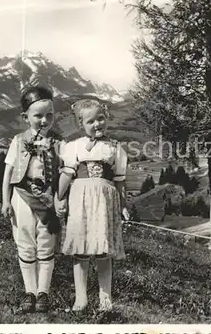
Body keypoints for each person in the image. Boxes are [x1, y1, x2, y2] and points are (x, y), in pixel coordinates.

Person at [58, 98, 130, 312]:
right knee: (80, 251)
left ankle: (105, 298)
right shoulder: (74, 147)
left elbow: (120, 180)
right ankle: (81, 298)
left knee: (102, 250)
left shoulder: (115, 148)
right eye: (91, 121)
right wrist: (58, 197)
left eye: (100, 118)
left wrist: (123, 204)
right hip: (80, 201)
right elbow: (66, 175)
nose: (97, 124)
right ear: (81, 124)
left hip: (104, 203)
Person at [1, 86, 65, 313]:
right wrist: (5, 200)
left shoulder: (59, 142)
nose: (44, 120)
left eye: (49, 115)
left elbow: (64, 172)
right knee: (25, 244)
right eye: (38, 115)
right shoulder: (18, 141)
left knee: (46, 246)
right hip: (22, 197)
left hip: (48, 199)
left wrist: (60, 198)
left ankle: (43, 294)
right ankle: (30, 292)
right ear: (25, 117)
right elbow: (8, 172)